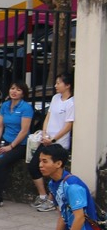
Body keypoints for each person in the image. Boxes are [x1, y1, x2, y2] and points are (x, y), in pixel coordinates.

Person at [28, 72, 75, 212]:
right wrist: (44, 132)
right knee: (33, 166)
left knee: (54, 171)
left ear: (67, 85)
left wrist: (53, 139)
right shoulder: (55, 98)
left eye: (59, 83)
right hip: (46, 140)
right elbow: (48, 116)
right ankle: (42, 195)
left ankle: (51, 199)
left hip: (59, 143)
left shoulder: (71, 103)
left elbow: (68, 125)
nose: (56, 86)